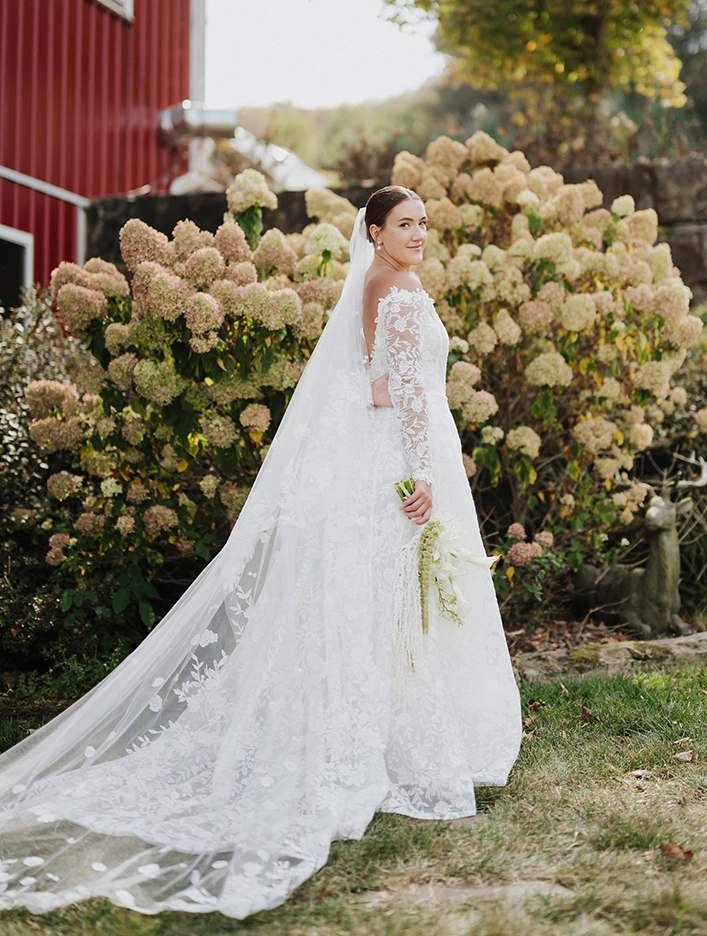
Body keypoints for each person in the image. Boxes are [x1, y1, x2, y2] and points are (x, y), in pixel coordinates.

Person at [0, 185, 519, 918]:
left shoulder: (373, 283)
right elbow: (402, 391)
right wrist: (425, 477)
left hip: (378, 458)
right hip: (402, 465)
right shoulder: (398, 290)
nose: (419, 235)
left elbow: (370, 383)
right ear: (374, 231)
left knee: (375, 602)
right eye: (405, 225)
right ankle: (386, 744)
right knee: (390, 602)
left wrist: (404, 422)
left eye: (424, 225)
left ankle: (377, 735)